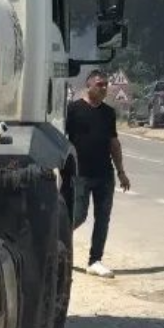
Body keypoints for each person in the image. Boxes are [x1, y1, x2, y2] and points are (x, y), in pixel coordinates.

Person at [65, 69, 131, 278]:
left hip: (104, 174)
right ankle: (55, 243)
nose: (104, 88)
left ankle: (95, 261)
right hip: (80, 174)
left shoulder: (108, 113)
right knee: (78, 216)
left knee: (103, 218)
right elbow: (62, 140)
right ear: (89, 86)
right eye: (99, 84)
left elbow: (113, 143)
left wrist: (121, 172)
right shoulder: (73, 110)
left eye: (105, 85)